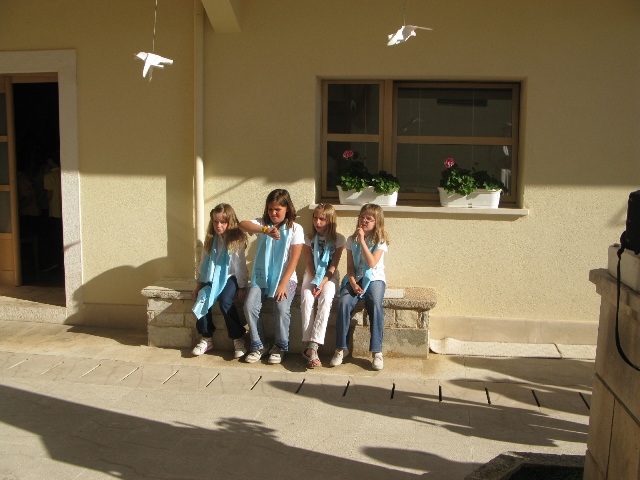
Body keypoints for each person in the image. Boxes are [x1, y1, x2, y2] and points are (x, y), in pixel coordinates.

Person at [239, 189, 304, 364]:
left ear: (287, 209)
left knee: (281, 308)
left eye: (277, 209)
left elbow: (294, 260)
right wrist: (265, 230)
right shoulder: (263, 224)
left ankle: (280, 346)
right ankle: (259, 345)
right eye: (270, 209)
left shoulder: (295, 229)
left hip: (286, 278)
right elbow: (242, 225)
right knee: (249, 306)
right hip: (262, 277)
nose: (273, 213)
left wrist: (283, 284)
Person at [331, 203, 389, 371]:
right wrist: (353, 283)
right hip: (355, 278)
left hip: (375, 279)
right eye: (362, 217)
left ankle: (377, 351)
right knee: (344, 303)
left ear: (377, 222)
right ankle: (341, 348)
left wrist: (363, 240)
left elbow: (371, 263)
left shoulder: (381, 241)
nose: (364, 220)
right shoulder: (351, 240)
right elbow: (350, 267)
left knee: (375, 303)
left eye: (369, 218)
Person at [191, 204, 249, 358]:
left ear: (230, 222)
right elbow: (203, 263)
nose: (218, 225)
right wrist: (198, 286)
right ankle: (206, 337)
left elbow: (240, 265)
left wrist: (242, 286)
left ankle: (238, 337)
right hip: (212, 276)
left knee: (225, 301)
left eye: (223, 222)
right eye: (215, 222)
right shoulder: (211, 240)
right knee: (203, 297)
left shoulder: (237, 240)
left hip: (230, 277)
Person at [300, 203, 345, 368]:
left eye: (322, 219)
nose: (317, 222)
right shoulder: (308, 238)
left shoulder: (339, 239)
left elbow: (333, 265)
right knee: (306, 299)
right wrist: (314, 281)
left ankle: (313, 346)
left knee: (326, 299)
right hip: (311, 274)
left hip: (329, 276)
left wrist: (322, 282)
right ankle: (310, 347)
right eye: (315, 218)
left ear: (330, 221)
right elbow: (308, 262)